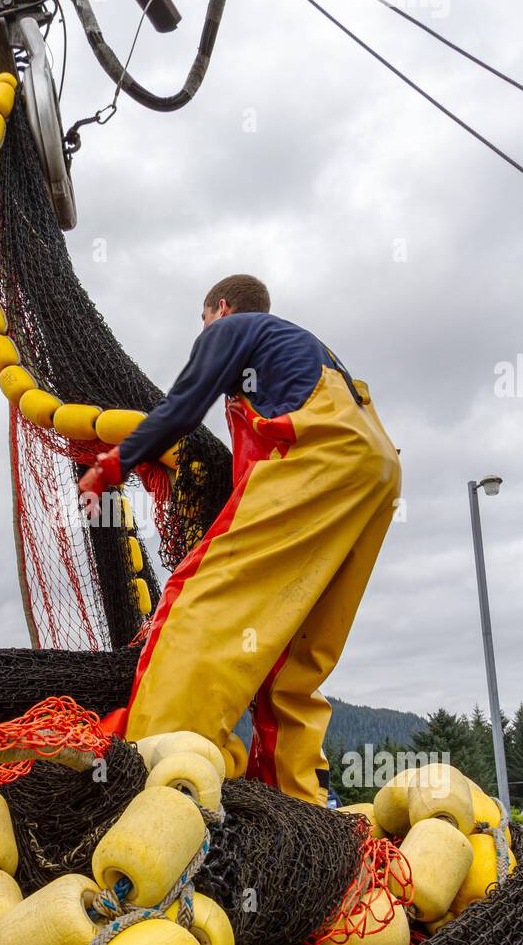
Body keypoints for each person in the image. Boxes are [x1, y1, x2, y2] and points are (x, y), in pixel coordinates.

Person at [79, 274, 401, 807]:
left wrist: (114, 464)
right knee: (297, 647)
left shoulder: (234, 329)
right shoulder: (308, 351)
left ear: (220, 309)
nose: (203, 329)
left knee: (203, 600)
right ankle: (298, 800)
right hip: (377, 469)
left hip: (317, 459)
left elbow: (182, 408)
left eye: (203, 319)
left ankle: (158, 762)